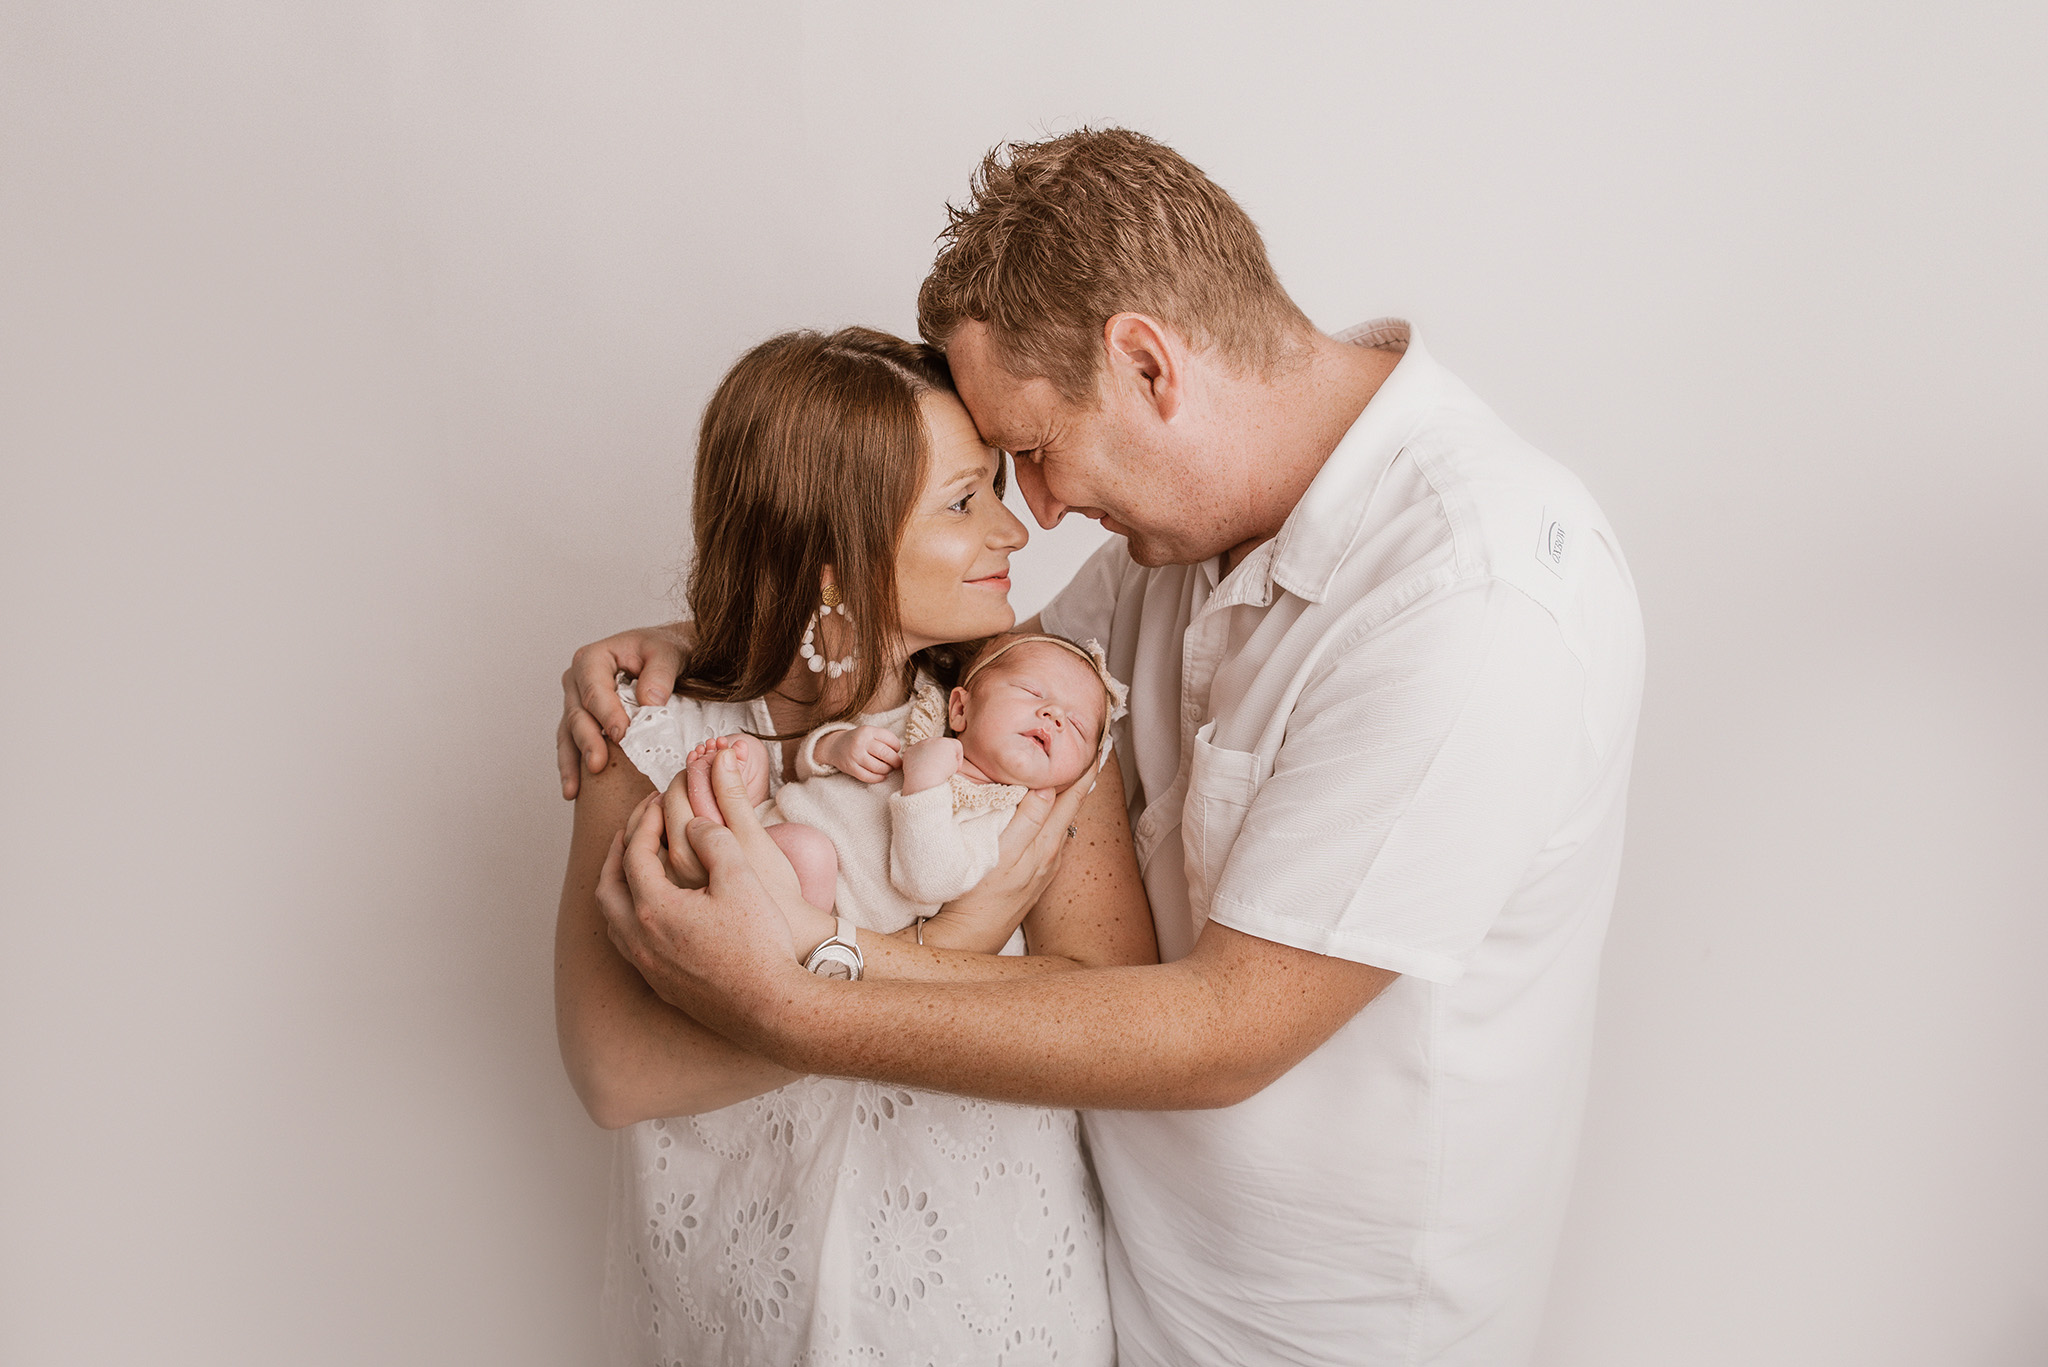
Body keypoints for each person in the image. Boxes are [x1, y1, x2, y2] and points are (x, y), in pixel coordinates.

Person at [567, 128, 1645, 1366]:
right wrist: (712, 635)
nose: (1037, 508)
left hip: (1324, 1333)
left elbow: (1222, 1031)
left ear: (1145, 367)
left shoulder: (1473, 594)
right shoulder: (1179, 554)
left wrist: (794, 990)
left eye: (1030, 451)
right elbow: (946, 659)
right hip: (1108, 1282)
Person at [555, 324, 1154, 1364]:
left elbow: (1114, 1014)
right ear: (832, 562)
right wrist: (956, 942)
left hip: (982, 1301)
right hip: (738, 1305)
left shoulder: (1039, 721)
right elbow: (616, 1071)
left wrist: (791, 982)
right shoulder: (651, 736)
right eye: (963, 502)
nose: (1010, 534)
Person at [667, 632, 1129, 949]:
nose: (1053, 716)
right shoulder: (915, 724)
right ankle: (731, 812)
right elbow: (806, 770)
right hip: (781, 818)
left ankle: (719, 839)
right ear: (961, 708)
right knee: (747, 756)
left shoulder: (1001, 821)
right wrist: (836, 747)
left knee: (808, 852)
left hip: (822, 908)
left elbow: (928, 883)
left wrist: (924, 786)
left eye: (1077, 725)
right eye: (1032, 692)